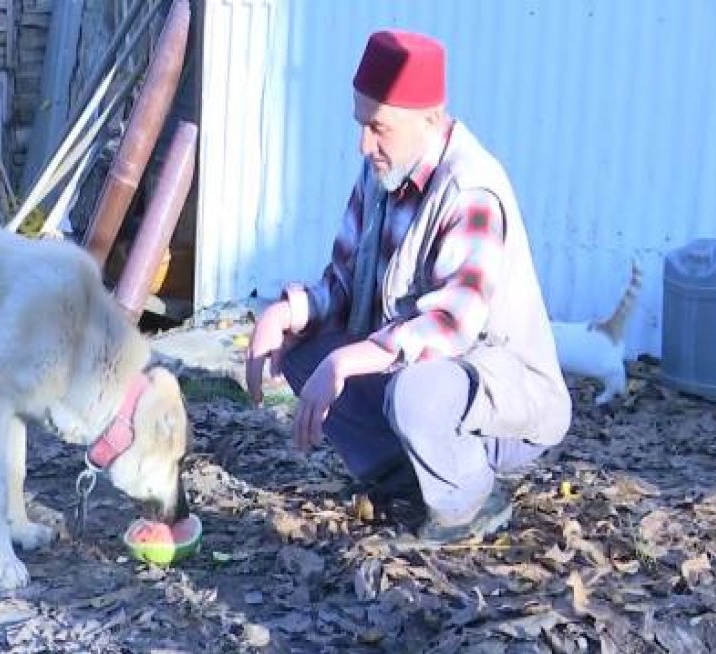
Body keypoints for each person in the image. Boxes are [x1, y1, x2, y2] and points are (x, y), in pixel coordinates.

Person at [245, 29, 571, 544]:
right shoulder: (382, 171)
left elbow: (451, 325)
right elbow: (343, 281)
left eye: (378, 128)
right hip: (421, 383)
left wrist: (349, 361)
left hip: (504, 405)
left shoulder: (472, 188)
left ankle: (471, 501)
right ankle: (406, 479)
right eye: (360, 125)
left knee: (414, 391)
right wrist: (282, 315)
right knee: (305, 348)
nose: (363, 144)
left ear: (430, 120)